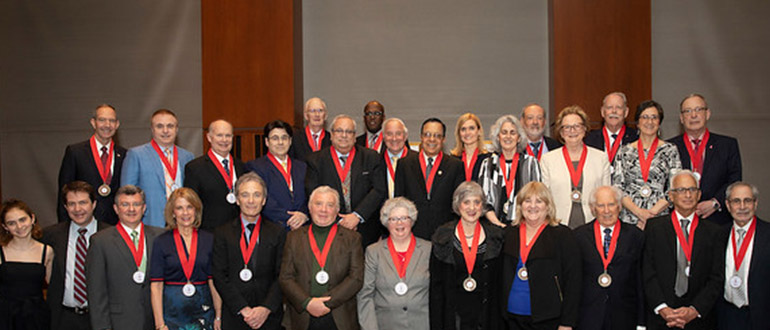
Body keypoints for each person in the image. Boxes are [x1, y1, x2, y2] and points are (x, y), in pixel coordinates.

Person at [643, 170, 724, 330]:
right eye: (681, 190)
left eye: (692, 190)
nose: (688, 195)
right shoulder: (654, 228)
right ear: (671, 196)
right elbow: (647, 272)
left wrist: (694, 310)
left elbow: (717, 277)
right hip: (662, 318)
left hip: (699, 319)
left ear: (699, 195)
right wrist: (662, 308)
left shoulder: (714, 232)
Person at [279, 186, 364, 330]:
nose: (323, 210)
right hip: (302, 317)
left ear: (337, 210)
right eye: (318, 204)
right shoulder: (293, 238)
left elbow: (356, 278)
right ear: (309, 207)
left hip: (339, 316)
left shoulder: (352, 238)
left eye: (330, 205)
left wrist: (325, 303)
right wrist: (307, 303)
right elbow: (285, 277)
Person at [501, 181, 581, 329]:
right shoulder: (508, 233)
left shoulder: (563, 235)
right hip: (510, 319)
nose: (533, 206)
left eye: (539, 201)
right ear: (520, 205)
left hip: (548, 319)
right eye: (527, 201)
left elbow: (573, 282)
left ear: (548, 206)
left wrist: (567, 322)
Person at [211, 173, 286, 330]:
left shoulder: (278, 232)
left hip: (269, 318)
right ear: (237, 200)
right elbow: (219, 275)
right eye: (245, 195)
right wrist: (243, 309)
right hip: (236, 317)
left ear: (264, 200)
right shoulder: (222, 233)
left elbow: (283, 275)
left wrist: (265, 309)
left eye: (257, 195)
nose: (251, 201)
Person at [86, 185, 165, 330]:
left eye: (136, 204)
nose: (131, 209)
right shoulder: (100, 241)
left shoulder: (160, 237)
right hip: (119, 322)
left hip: (155, 320)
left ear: (144, 208)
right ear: (116, 209)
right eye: (125, 204)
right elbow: (96, 293)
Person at [305, 115, 387, 248]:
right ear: (331, 135)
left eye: (349, 132)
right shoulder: (315, 160)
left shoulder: (371, 157)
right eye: (339, 131)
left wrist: (357, 216)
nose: (344, 135)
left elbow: (379, 190)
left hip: (365, 229)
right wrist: (340, 220)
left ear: (355, 136)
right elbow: (312, 193)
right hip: (329, 226)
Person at [430, 181, 503, 330]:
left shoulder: (496, 237)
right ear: (458, 205)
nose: (472, 208)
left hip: (486, 316)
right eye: (466, 202)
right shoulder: (442, 237)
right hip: (453, 318)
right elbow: (436, 289)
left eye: (477, 202)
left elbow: (499, 285)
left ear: (482, 206)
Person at [150, 188, 222, 330]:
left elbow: (213, 281)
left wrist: (218, 315)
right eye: (179, 208)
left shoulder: (209, 239)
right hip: (172, 314)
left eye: (189, 207)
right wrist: (159, 324)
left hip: (203, 311)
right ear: (173, 213)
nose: (185, 213)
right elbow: (156, 286)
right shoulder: (161, 242)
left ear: (196, 210)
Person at [42, 181, 111, 330]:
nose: (77, 209)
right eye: (71, 204)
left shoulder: (111, 236)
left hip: (100, 318)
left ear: (93, 204)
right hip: (63, 318)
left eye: (83, 203)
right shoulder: (50, 235)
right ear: (66, 207)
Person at [574, 186, 645, 330]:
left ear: (619, 206)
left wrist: (642, 322)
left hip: (624, 317)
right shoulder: (578, 236)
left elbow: (641, 281)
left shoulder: (636, 236)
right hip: (587, 317)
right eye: (601, 205)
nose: (607, 211)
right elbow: (573, 282)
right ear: (593, 208)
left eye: (611, 204)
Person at [668, 93, 742, 225]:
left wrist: (715, 203)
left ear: (707, 114)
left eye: (698, 109)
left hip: (717, 220)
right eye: (688, 111)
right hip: (679, 219)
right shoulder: (669, 147)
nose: (693, 115)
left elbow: (734, 181)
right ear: (681, 118)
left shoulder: (727, 145)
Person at [357, 197, 430, 330]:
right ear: (386, 222)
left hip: (423, 324)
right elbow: (365, 295)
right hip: (385, 325)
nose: (399, 223)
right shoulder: (374, 252)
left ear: (412, 220)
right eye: (393, 219)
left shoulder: (428, 249)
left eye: (404, 218)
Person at [612, 100, 681, 229]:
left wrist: (651, 214)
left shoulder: (670, 150)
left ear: (659, 122)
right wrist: (639, 213)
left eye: (654, 117)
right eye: (645, 117)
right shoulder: (624, 151)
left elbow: (675, 187)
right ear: (637, 122)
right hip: (629, 218)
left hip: (659, 216)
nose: (650, 122)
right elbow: (618, 188)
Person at [122, 109, 195, 228]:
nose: (165, 131)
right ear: (152, 129)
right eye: (160, 126)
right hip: (151, 222)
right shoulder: (136, 154)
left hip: (182, 222)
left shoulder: (187, 156)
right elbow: (126, 194)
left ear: (176, 129)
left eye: (170, 126)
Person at [541, 105, 611, 229]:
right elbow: (545, 197)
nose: (572, 131)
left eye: (577, 126)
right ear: (561, 132)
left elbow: (606, 196)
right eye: (567, 127)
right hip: (558, 224)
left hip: (592, 224)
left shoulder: (601, 158)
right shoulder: (548, 160)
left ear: (584, 129)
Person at [394, 118, 464, 240]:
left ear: (443, 139)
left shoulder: (455, 165)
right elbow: (399, 202)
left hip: (445, 236)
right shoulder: (404, 164)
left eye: (437, 136)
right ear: (421, 137)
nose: (432, 139)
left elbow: (458, 205)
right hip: (412, 234)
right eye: (427, 134)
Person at [57, 104, 127, 225]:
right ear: (93, 123)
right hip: (83, 221)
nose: (107, 125)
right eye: (102, 120)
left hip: (114, 223)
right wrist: (64, 226)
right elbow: (64, 192)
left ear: (117, 124)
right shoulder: (76, 152)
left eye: (111, 121)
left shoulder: (125, 154)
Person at [715, 182, 770, 330]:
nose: (742, 207)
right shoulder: (718, 235)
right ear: (727, 205)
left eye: (748, 200)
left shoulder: (767, 234)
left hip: (760, 317)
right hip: (725, 316)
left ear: (756, 203)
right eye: (736, 201)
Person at [477, 115, 541, 227]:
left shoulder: (531, 163)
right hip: (494, 227)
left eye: (512, 133)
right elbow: (484, 201)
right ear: (498, 137)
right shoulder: (488, 164)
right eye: (504, 132)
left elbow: (537, 199)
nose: (508, 136)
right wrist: (498, 224)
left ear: (519, 138)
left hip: (524, 226)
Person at [0, 199, 54, 330]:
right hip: (5, 317)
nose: (19, 227)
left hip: (36, 317)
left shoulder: (46, 251)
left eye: (22, 220)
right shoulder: (0, 252)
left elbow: (53, 287)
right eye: (12, 223)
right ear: (5, 227)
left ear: (32, 218)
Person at [184, 119, 247, 231]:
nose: (224, 140)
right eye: (219, 135)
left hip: (238, 231)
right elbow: (191, 204)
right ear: (209, 137)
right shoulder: (195, 168)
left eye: (228, 136)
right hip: (210, 233)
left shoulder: (241, 166)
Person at [246, 120, 308, 231]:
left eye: (284, 138)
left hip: (302, 228)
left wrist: (303, 214)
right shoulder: (256, 167)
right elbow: (262, 199)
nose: (280, 142)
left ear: (290, 141)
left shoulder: (302, 167)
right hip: (273, 229)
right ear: (267, 142)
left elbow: (309, 195)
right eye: (275, 138)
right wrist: (291, 219)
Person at [584, 92, 639, 167]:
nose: (614, 111)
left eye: (618, 107)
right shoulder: (588, 139)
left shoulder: (636, 138)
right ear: (602, 112)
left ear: (626, 112)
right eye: (609, 107)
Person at [381, 118, 417, 198]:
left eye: (398, 134)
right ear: (383, 137)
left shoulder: (418, 161)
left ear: (405, 136)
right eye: (389, 134)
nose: (394, 138)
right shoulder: (376, 162)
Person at [450, 113, 491, 182]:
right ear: (459, 134)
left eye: (471, 128)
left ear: (479, 131)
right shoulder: (452, 160)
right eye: (463, 129)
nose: (467, 133)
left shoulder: (488, 159)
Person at [289, 97, 332, 162]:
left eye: (320, 111)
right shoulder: (295, 138)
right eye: (312, 111)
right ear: (306, 115)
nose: (317, 115)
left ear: (325, 115)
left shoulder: (332, 139)